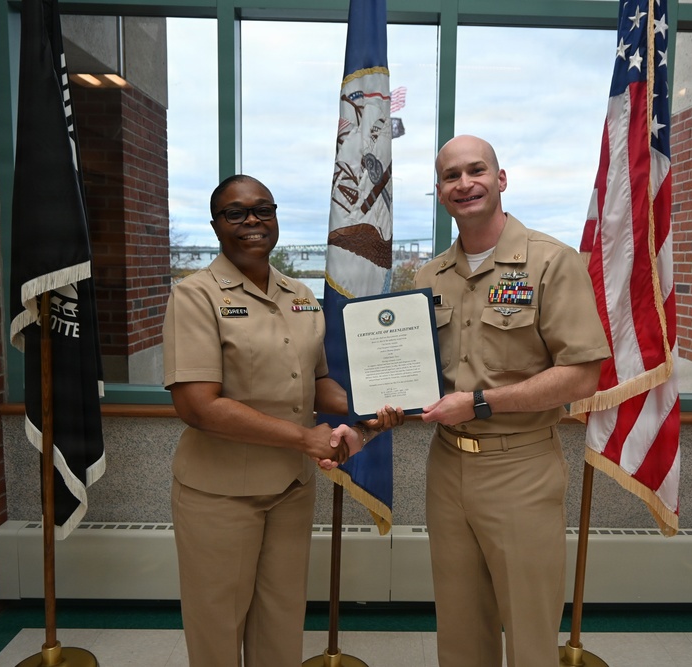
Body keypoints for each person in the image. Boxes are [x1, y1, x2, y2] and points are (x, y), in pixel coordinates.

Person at [162, 174, 402, 667]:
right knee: (217, 633)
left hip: (289, 491)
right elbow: (197, 406)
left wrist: (373, 405)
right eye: (236, 212)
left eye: (263, 210)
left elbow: (316, 384)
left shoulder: (300, 295)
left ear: (275, 219)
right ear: (215, 226)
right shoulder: (195, 296)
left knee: (281, 625)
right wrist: (304, 439)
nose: (252, 220)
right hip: (220, 495)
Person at [413, 135, 611, 667]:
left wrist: (479, 404)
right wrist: (369, 417)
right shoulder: (428, 278)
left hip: (520, 466)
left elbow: (581, 375)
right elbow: (412, 378)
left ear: (501, 179)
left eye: (476, 170)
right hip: (447, 464)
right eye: (451, 176)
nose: (465, 183)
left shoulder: (551, 263)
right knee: (459, 627)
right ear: (440, 192)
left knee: (528, 628)